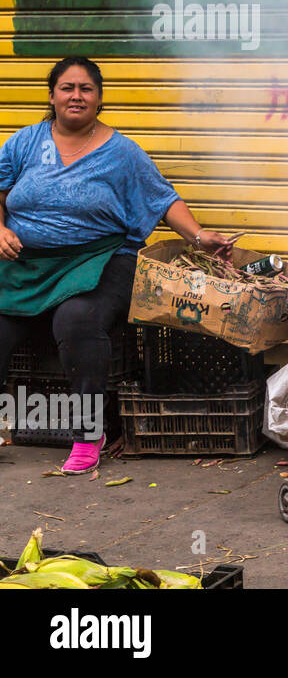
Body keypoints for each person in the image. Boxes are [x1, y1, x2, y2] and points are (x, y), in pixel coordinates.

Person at [0, 56, 233, 474]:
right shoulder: (25, 143)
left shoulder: (121, 152)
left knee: (75, 322)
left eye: (86, 89)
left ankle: (88, 434)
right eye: (67, 88)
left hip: (101, 259)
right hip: (31, 265)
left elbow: (162, 199)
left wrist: (198, 237)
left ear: (99, 98)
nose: (76, 96)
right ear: (52, 96)